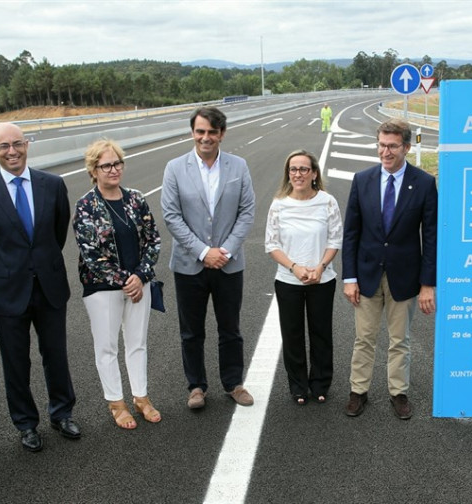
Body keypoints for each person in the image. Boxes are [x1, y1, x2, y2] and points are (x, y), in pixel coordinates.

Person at [0, 122, 80, 452]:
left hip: (49, 285)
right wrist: (8, 268)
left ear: (27, 144)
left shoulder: (53, 185)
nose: (12, 151)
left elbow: (57, 234)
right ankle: (26, 424)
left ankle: (62, 413)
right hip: (7, 291)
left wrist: (38, 263)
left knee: (55, 355)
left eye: (17, 143)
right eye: (4, 146)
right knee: (16, 362)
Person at [161, 106, 256, 410]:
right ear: (192, 133)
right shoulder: (175, 168)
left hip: (228, 263)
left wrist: (224, 251)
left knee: (231, 328)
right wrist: (203, 252)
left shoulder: (238, 166)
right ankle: (196, 386)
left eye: (212, 132)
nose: (206, 137)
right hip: (190, 265)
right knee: (191, 331)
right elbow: (172, 216)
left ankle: (233, 383)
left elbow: (247, 212)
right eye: (200, 131)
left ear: (221, 134)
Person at [342, 119, 437, 420]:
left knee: (400, 340)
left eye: (392, 146)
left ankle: (398, 393)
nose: (385, 151)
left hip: (405, 278)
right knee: (364, 338)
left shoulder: (423, 183)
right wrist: (349, 278)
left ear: (406, 147)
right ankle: (359, 391)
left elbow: (431, 236)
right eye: (382, 145)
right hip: (367, 275)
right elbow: (351, 234)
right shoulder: (362, 180)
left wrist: (427, 284)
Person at [73, 139, 161, 429]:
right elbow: (91, 254)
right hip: (102, 289)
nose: (114, 169)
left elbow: (152, 240)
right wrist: (126, 280)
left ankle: (141, 397)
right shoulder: (85, 206)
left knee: (137, 344)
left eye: (118, 163)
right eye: (107, 165)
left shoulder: (135, 198)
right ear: (94, 170)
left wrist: (141, 276)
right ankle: (116, 403)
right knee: (107, 347)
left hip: (140, 283)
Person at [265, 150, 342, 405]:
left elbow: (334, 239)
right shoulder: (279, 205)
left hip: (323, 279)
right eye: (293, 169)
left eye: (303, 169)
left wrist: (320, 266)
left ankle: (320, 383)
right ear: (288, 174)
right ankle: (298, 386)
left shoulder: (328, 202)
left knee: (321, 334)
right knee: (292, 335)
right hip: (289, 281)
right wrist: (295, 267)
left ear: (314, 173)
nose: (298, 174)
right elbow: (272, 244)